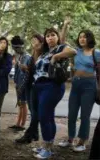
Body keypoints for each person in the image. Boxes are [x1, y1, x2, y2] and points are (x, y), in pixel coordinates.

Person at [31, 27, 76, 159]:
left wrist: (56, 56)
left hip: (52, 86)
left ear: (57, 37)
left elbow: (73, 51)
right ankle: (46, 145)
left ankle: (48, 150)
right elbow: (36, 65)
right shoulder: (44, 52)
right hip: (38, 86)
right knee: (46, 116)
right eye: (48, 36)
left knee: (45, 116)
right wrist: (35, 50)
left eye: (53, 35)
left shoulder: (61, 48)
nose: (50, 38)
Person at [55, 30, 100, 152]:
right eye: (80, 37)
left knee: (85, 116)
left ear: (90, 39)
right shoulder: (75, 52)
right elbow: (62, 43)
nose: (82, 39)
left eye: (85, 37)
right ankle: (70, 139)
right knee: (72, 114)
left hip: (89, 86)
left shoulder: (96, 53)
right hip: (76, 85)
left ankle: (82, 142)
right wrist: (65, 26)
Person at [15, 33, 44, 143]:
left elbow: (40, 71)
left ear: (41, 42)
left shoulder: (44, 54)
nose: (34, 42)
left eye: (36, 40)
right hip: (28, 84)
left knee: (35, 111)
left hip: (36, 86)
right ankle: (34, 133)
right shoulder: (33, 54)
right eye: (32, 41)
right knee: (33, 111)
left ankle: (30, 134)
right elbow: (31, 70)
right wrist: (25, 68)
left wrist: (26, 68)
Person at [8, 36, 31, 131]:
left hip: (24, 84)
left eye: (17, 47)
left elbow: (28, 72)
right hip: (18, 83)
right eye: (14, 47)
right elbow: (17, 71)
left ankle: (22, 125)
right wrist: (16, 82)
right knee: (20, 104)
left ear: (22, 46)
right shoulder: (19, 56)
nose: (16, 49)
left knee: (23, 103)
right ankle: (18, 123)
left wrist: (22, 85)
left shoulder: (27, 57)